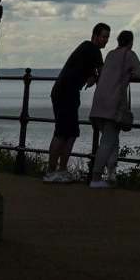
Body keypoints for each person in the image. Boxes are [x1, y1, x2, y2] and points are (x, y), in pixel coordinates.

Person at [44, 24, 108, 183]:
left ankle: (58, 170)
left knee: (67, 132)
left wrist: (93, 75)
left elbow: (89, 69)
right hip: (67, 93)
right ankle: (54, 171)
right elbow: (104, 72)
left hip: (64, 91)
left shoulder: (86, 48)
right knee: (64, 133)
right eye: (103, 36)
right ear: (95, 36)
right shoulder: (94, 50)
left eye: (107, 37)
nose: (106, 40)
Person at [87, 30, 140, 189]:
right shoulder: (129, 54)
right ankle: (96, 178)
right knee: (107, 142)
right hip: (113, 104)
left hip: (99, 102)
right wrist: (129, 74)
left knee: (111, 139)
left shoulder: (110, 54)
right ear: (131, 42)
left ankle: (112, 174)